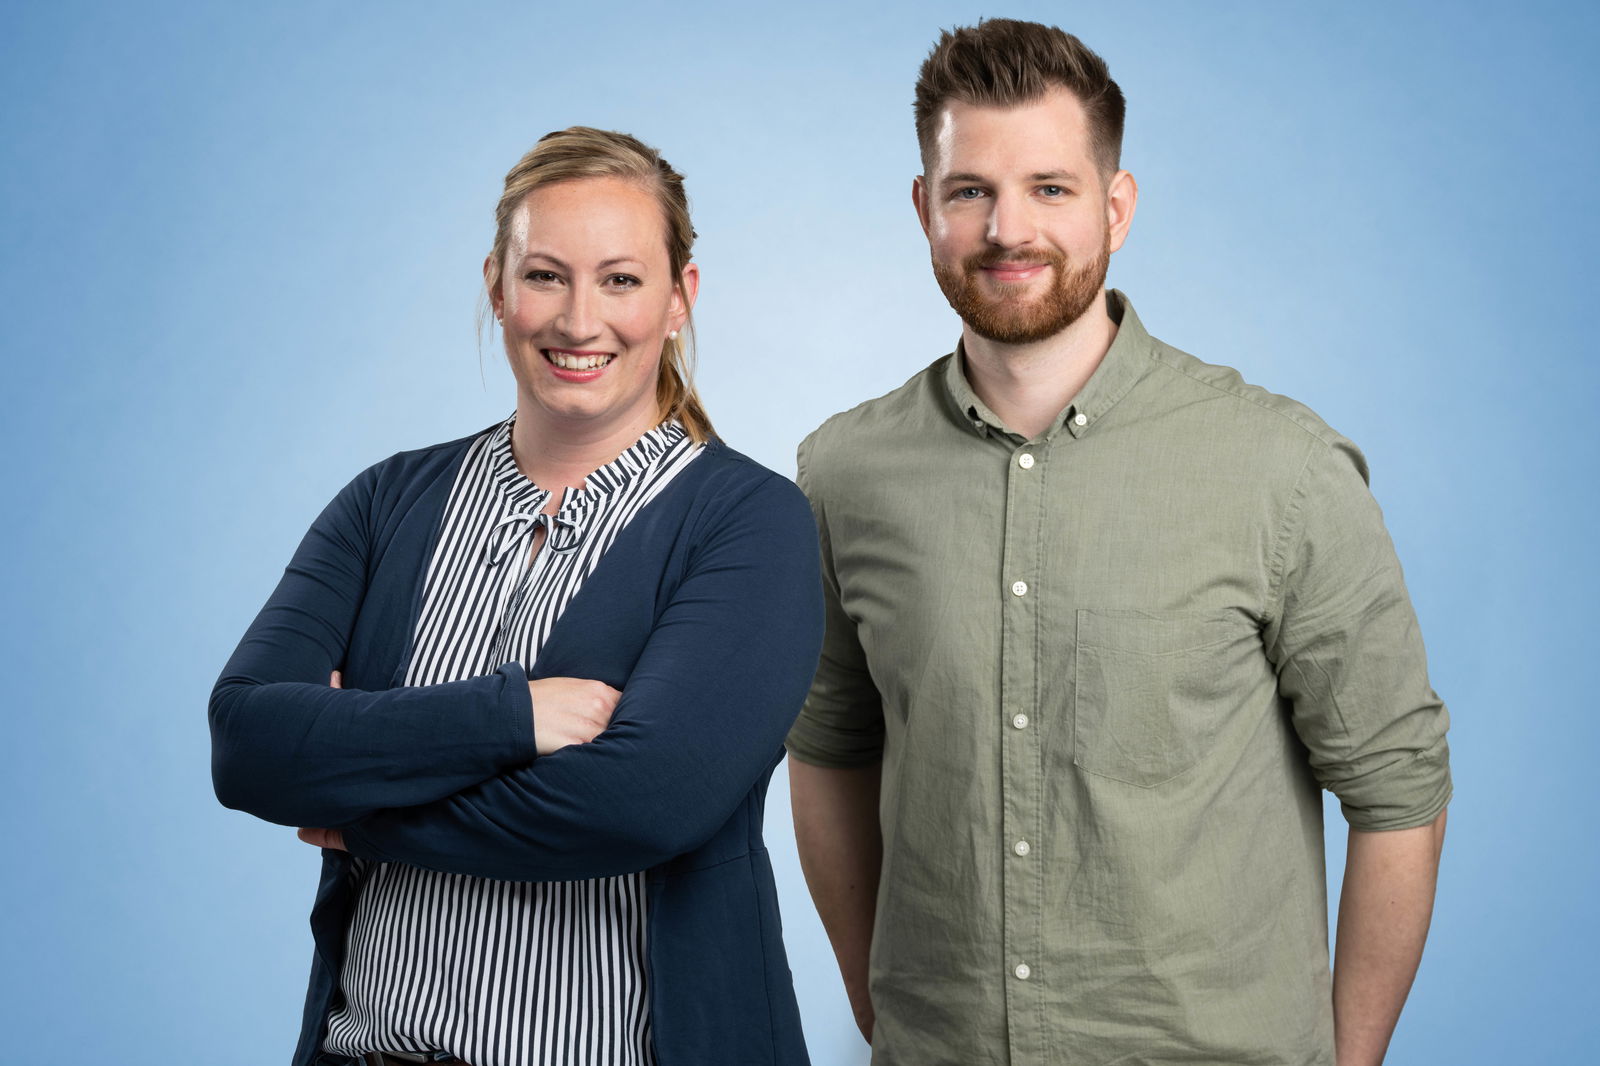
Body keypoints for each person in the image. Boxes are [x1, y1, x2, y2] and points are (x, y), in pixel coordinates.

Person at [787, 19, 1450, 1066]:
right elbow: (826, 745)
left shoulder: (1279, 468)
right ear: (924, 209)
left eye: (1050, 187)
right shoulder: (842, 473)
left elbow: (1397, 786)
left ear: (1117, 206)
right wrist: (891, 1016)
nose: (1009, 228)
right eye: (970, 191)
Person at [211, 127, 822, 1066]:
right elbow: (248, 743)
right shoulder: (387, 502)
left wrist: (356, 799)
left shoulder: (749, 524)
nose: (580, 321)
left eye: (620, 279)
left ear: (677, 299)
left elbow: (639, 804)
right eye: (545, 276)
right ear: (496, 286)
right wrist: (511, 719)